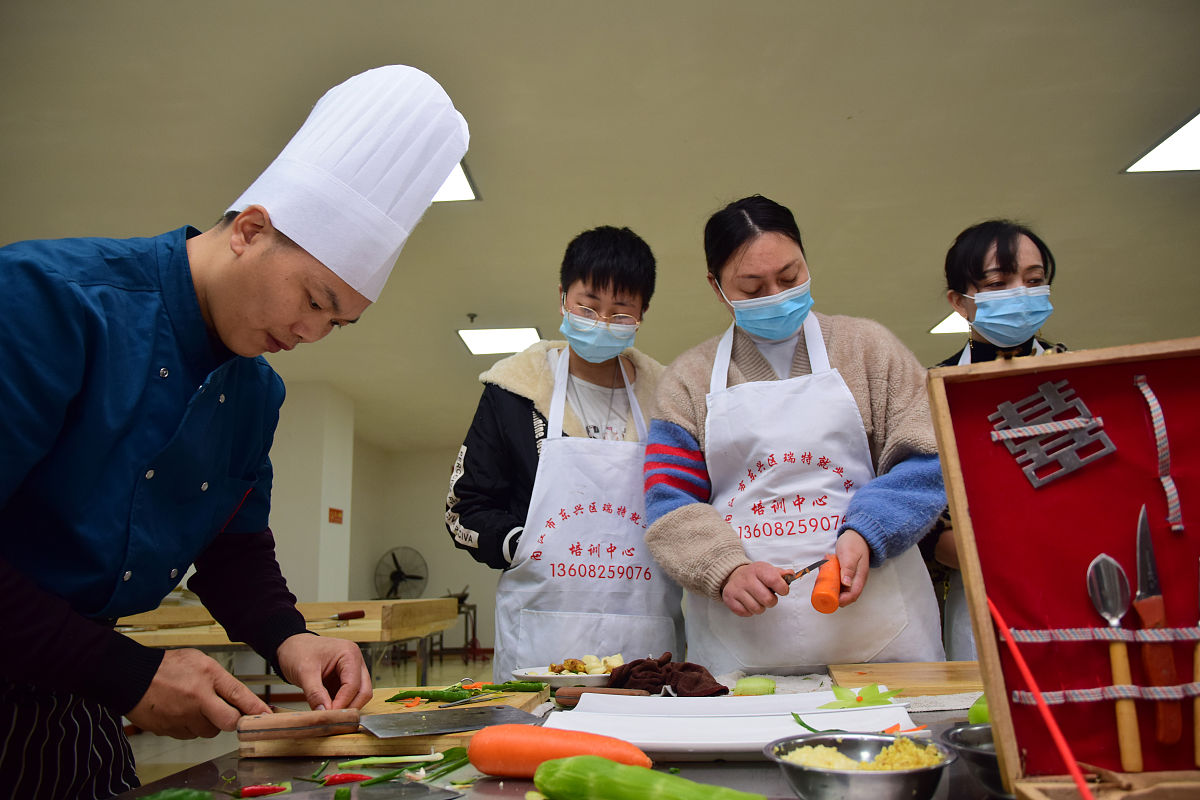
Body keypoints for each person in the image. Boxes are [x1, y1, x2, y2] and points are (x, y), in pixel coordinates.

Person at [0, 65, 468, 799]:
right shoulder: (47, 304)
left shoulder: (255, 391)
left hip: (63, 702)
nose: (313, 331)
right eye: (315, 299)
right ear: (250, 229)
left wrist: (293, 640)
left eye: (338, 322)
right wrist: (126, 672)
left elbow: (232, 549)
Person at [642, 195, 945, 677]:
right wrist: (723, 568)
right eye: (752, 287)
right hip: (743, 645)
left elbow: (927, 459)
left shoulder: (868, 349)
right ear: (717, 287)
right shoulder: (688, 380)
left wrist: (869, 531)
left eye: (790, 277)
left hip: (883, 632)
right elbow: (668, 499)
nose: (777, 295)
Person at [445, 226, 683, 682]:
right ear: (562, 298)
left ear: (642, 313)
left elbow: (692, 506)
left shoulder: (669, 402)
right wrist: (520, 544)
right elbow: (465, 507)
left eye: (619, 312)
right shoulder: (513, 392)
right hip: (540, 636)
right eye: (588, 306)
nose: (601, 321)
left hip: (648, 640)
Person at [923, 219, 1064, 660]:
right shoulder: (933, 391)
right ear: (959, 302)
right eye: (999, 283)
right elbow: (926, 521)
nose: (1021, 293)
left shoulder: (1080, 377)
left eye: (1034, 281)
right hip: (981, 595)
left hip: (1078, 581)